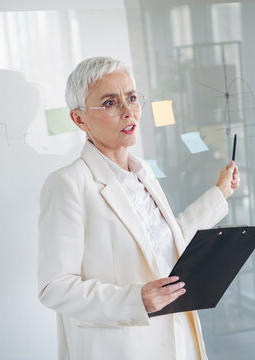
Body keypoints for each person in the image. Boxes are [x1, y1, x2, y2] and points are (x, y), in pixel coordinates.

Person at [37, 57, 240, 360]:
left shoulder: (142, 172)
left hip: (177, 341)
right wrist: (136, 300)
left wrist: (219, 193)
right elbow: (55, 287)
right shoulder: (68, 184)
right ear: (79, 119)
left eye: (132, 98)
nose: (128, 111)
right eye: (110, 103)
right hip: (122, 349)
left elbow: (164, 243)